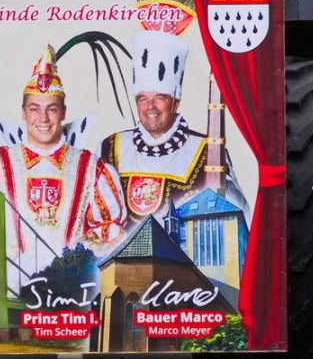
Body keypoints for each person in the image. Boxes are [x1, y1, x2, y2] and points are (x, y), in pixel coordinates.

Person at [0, 47, 126, 269]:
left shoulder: (92, 169)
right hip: (8, 284)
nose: (43, 118)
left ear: (63, 112)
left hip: (71, 285)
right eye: (34, 109)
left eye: (51, 109)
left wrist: (75, 262)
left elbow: (110, 231)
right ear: (23, 112)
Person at [98, 31, 242, 226]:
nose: (150, 107)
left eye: (159, 98)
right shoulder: (109, 146)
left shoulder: (209, 150)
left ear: (176, 102)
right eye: (143, 99)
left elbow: (236, 213)